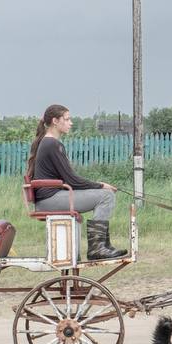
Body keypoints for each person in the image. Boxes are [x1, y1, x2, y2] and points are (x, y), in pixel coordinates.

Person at [25, 104, 126, 260]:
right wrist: (101, 185)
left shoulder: (49, 143)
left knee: (104, 194)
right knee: (106, 196)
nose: (70, 123)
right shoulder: (52, 144)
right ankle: (97, 248)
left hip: (52, 197)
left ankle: (102, 246)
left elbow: (69, 180)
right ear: (55, 121)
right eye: (67, 119)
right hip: (49, 200)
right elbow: (71, 180)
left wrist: (98, 185)